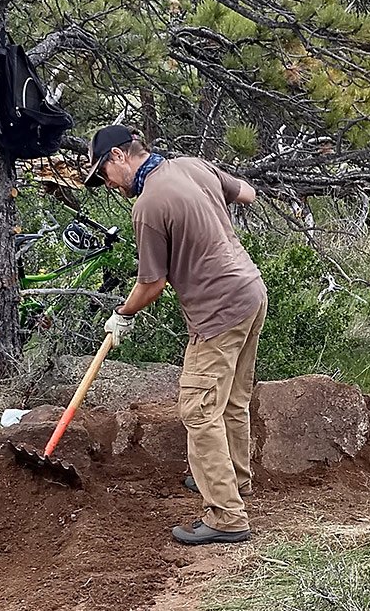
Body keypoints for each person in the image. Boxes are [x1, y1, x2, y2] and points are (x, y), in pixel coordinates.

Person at [84, 124, 265, 546]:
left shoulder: (149, 205)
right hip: (251, 292)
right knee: (232, 401)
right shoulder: (192, 166)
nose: (109, 186)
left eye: (104, 175)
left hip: (218, 310)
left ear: (118, 157)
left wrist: (122, 314)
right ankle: (234, 481)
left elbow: (152, 284)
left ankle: (226, 516)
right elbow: (248, 194)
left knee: (198, 410)